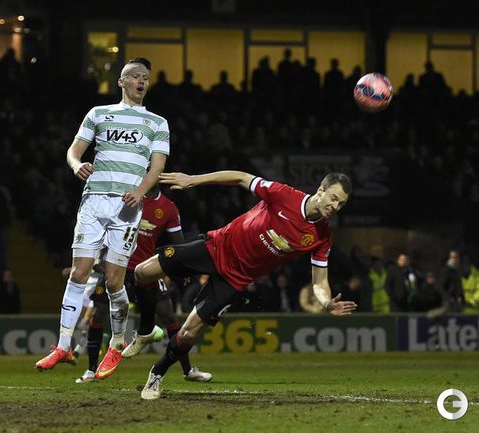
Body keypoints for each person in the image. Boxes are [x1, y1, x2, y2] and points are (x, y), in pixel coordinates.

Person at [134, 170, 357, 399]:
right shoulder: (284, 195)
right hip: (216, 247)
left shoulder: (322, 236)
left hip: (235, 279)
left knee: (189, 333)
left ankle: (157, 372)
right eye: (333, 198)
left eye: (341, 204)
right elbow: (241, 177)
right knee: (142, 273)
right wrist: (193, 180)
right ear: (320, 190)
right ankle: (146, 329)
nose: (335, 206)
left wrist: (326, 303)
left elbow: (319, 280)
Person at [35, 57, 170, 380]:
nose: (141, 80)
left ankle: (117, 344)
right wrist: (75, 165)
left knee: (113, 281)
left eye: (145, 77)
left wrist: (140, 192)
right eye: (135, 76)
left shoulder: (157, 123)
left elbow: (157, 167)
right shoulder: (98, 113)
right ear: (121, 82)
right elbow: (74, 151)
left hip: (127, 207)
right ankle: (63, 346)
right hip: (93, 202)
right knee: (79, 273)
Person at [75, 184, 211, 383]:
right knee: (99, 314)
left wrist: (183, 267)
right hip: (118, 266)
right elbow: (105, 226)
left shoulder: (168, 208)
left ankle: (188, 370)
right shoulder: (127, 197)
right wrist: (99, 256)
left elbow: (178, 242)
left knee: (168, 315)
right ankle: (91, 371)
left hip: (146, 270)